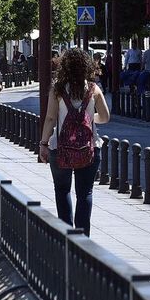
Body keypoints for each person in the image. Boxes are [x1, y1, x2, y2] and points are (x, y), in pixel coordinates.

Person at [37, 48, 111, 233]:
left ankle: (66, 234)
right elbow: (105, 116)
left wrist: (43, 144)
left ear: (65, 67)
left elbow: (51, 118)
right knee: (85, 192)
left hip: (59, 147)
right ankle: (83, 237)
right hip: (89, 147)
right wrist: (89, 118)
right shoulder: (94, 89)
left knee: (62, 191)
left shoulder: (58, 89)